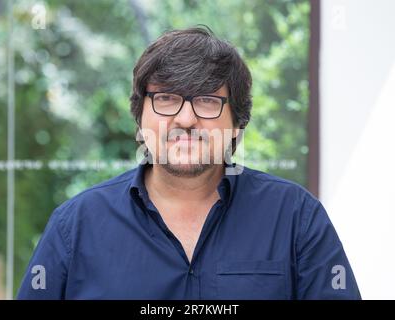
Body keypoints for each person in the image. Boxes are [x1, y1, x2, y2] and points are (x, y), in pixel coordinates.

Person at [18, 27, 361, 299]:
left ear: (237, 125)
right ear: (140, 118)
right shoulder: (75, 226)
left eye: (207, 101)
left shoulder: (295, 218)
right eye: (166, 98)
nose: (185, 119)